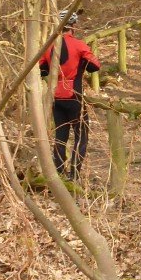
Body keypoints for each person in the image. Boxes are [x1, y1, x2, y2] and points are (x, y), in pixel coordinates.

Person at [38, 10, 100, 179]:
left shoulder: (49, 47)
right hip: (74, 95)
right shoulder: (79, 45)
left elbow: (41, 68)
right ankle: (74, 174)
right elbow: (95, 66)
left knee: (60, 136)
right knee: (81, 135)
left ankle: (58, 173)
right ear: (73, 26)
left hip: (56, 97)